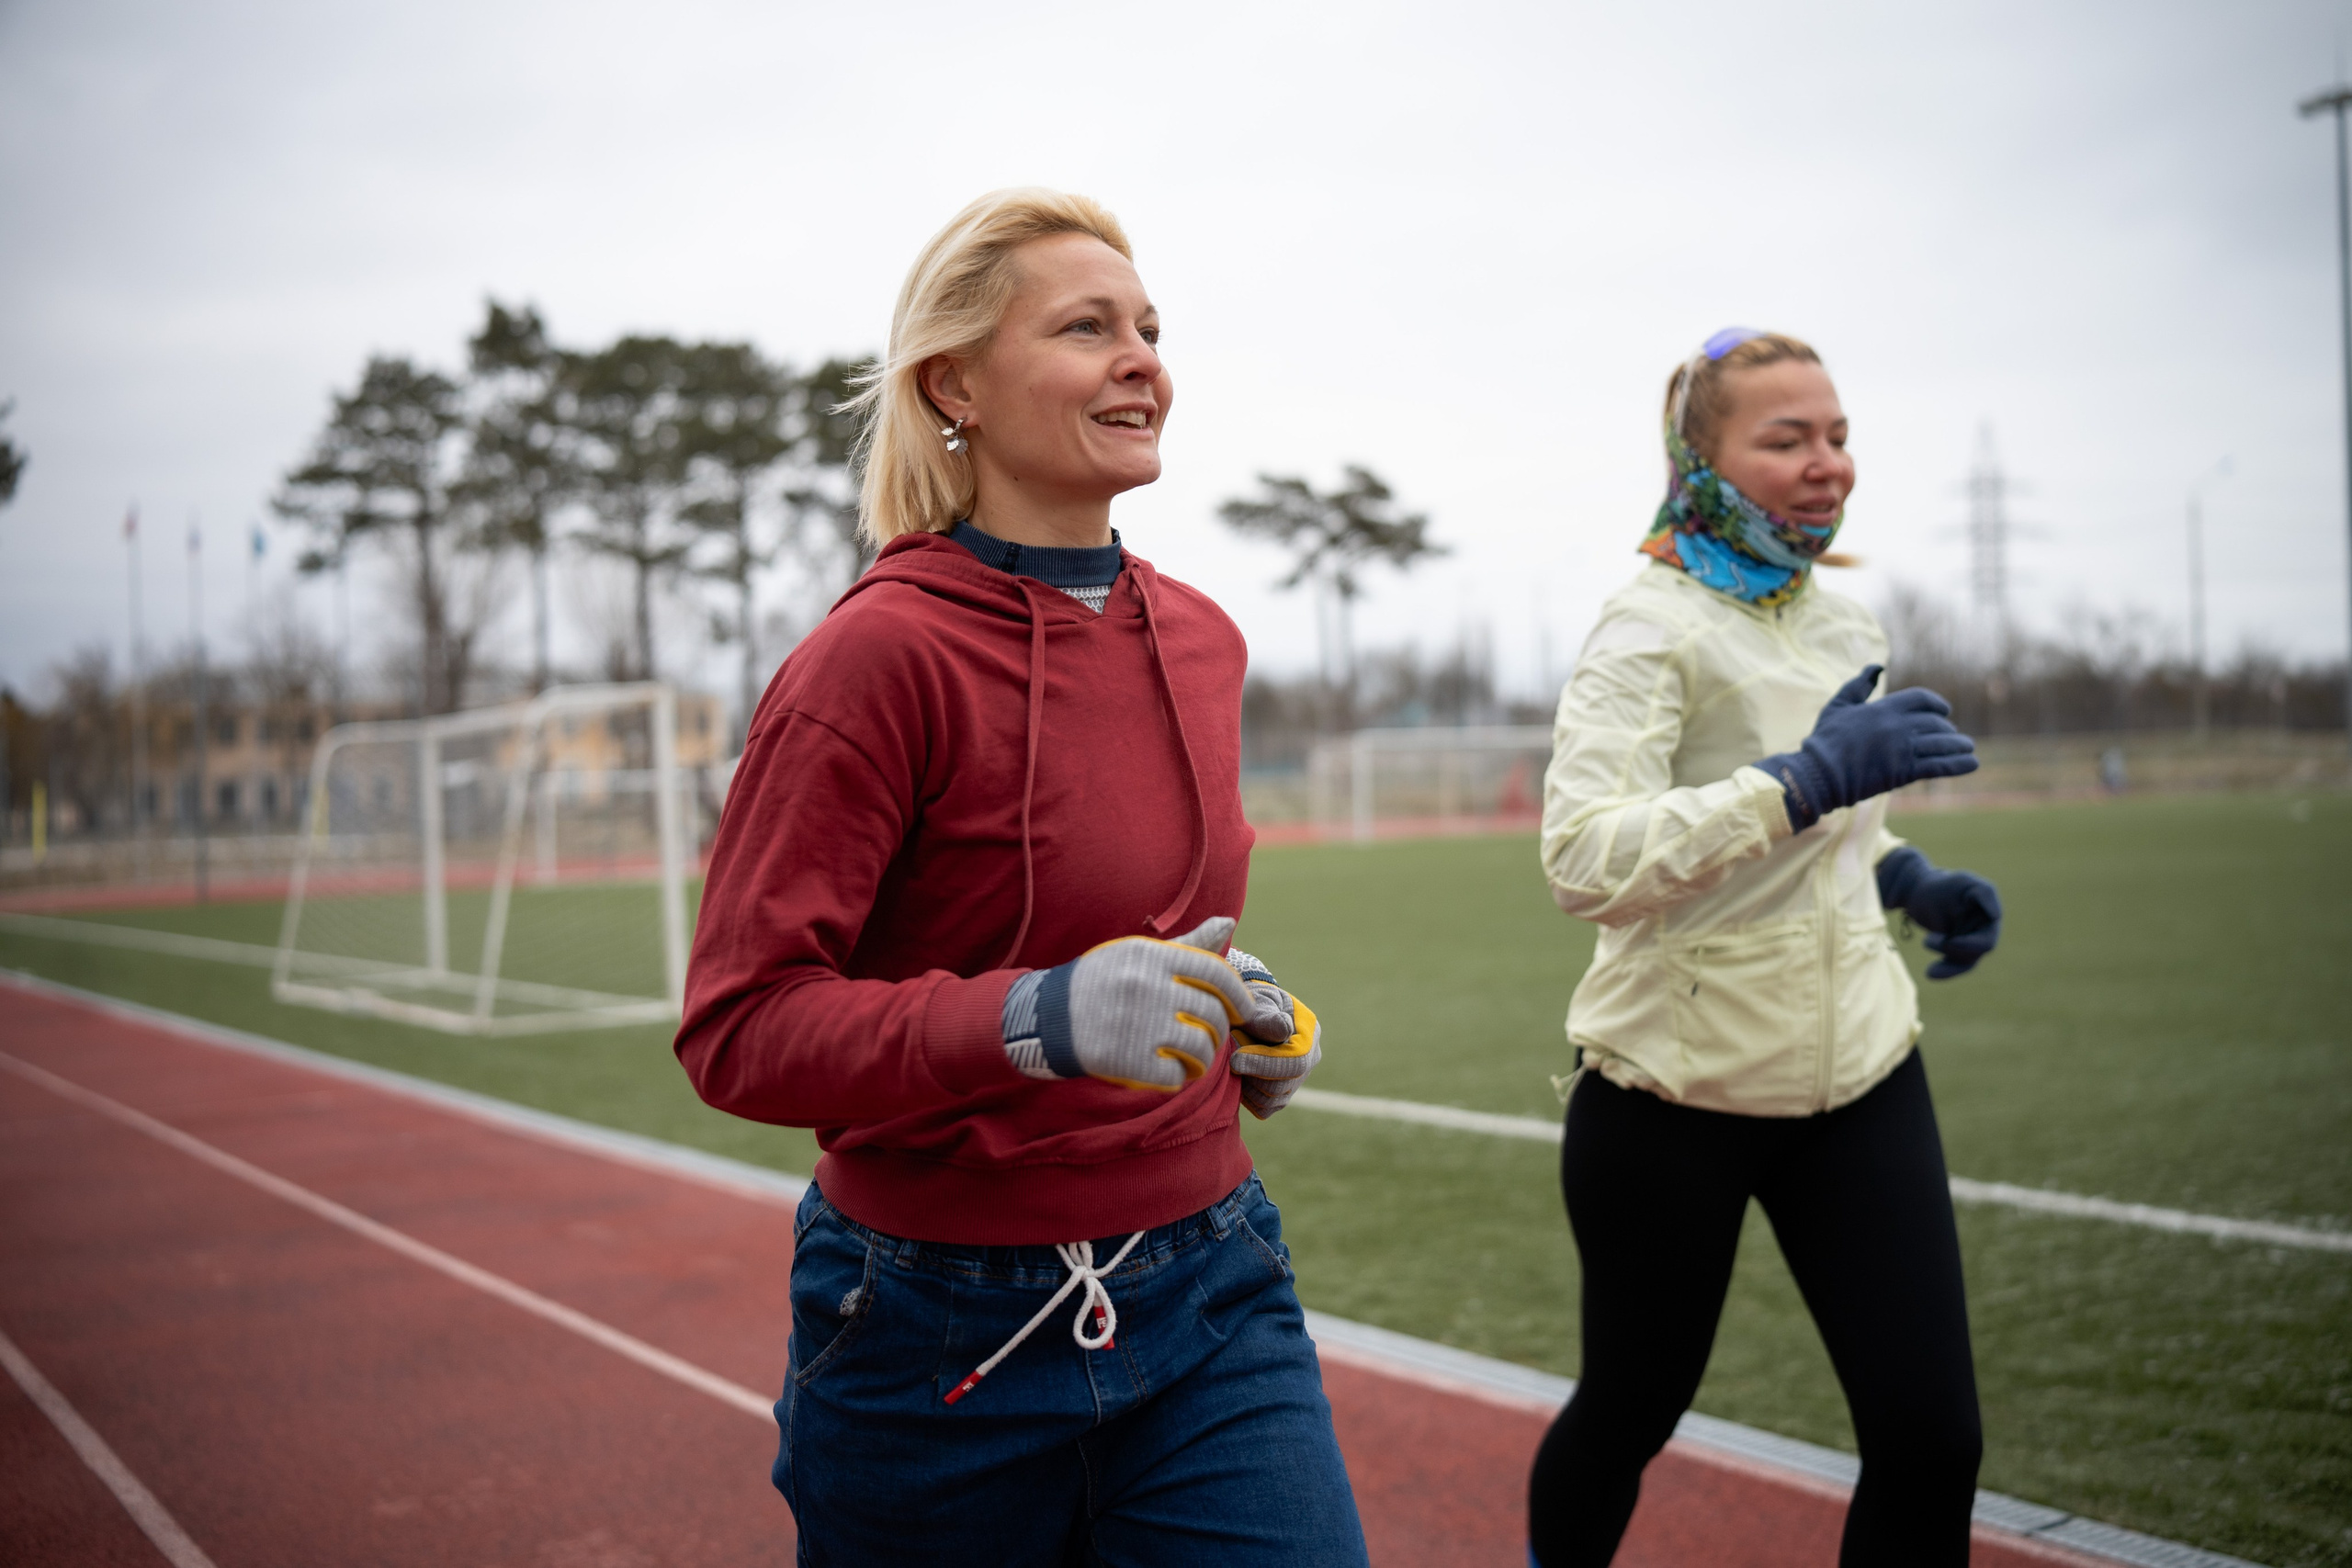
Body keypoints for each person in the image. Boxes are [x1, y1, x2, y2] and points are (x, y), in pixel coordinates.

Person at [674, 188, 1369, 1568]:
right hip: (934, 1335)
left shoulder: (1209, 642)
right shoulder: (873, 662)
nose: (1142, 358)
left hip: (1211, 1278)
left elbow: (1142, 922)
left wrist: (1229, 1010)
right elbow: (739, 1029)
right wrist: (1031, 1019)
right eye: (1087, 327)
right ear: (956, 389)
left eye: (1151, 328)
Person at [1526, 330, 2003, 1567]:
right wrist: (1793, 783)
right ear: (1703, 459)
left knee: (1933, 1439)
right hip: (1671, 1095)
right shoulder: (1646, 627)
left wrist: (1909, 877)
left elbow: (1838, 829)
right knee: (1633, 1409)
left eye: (1837, 434)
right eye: (1786, 438)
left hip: (1864, 1075)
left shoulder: (1849, 620)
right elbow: (1586, 860)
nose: (1826, 463)